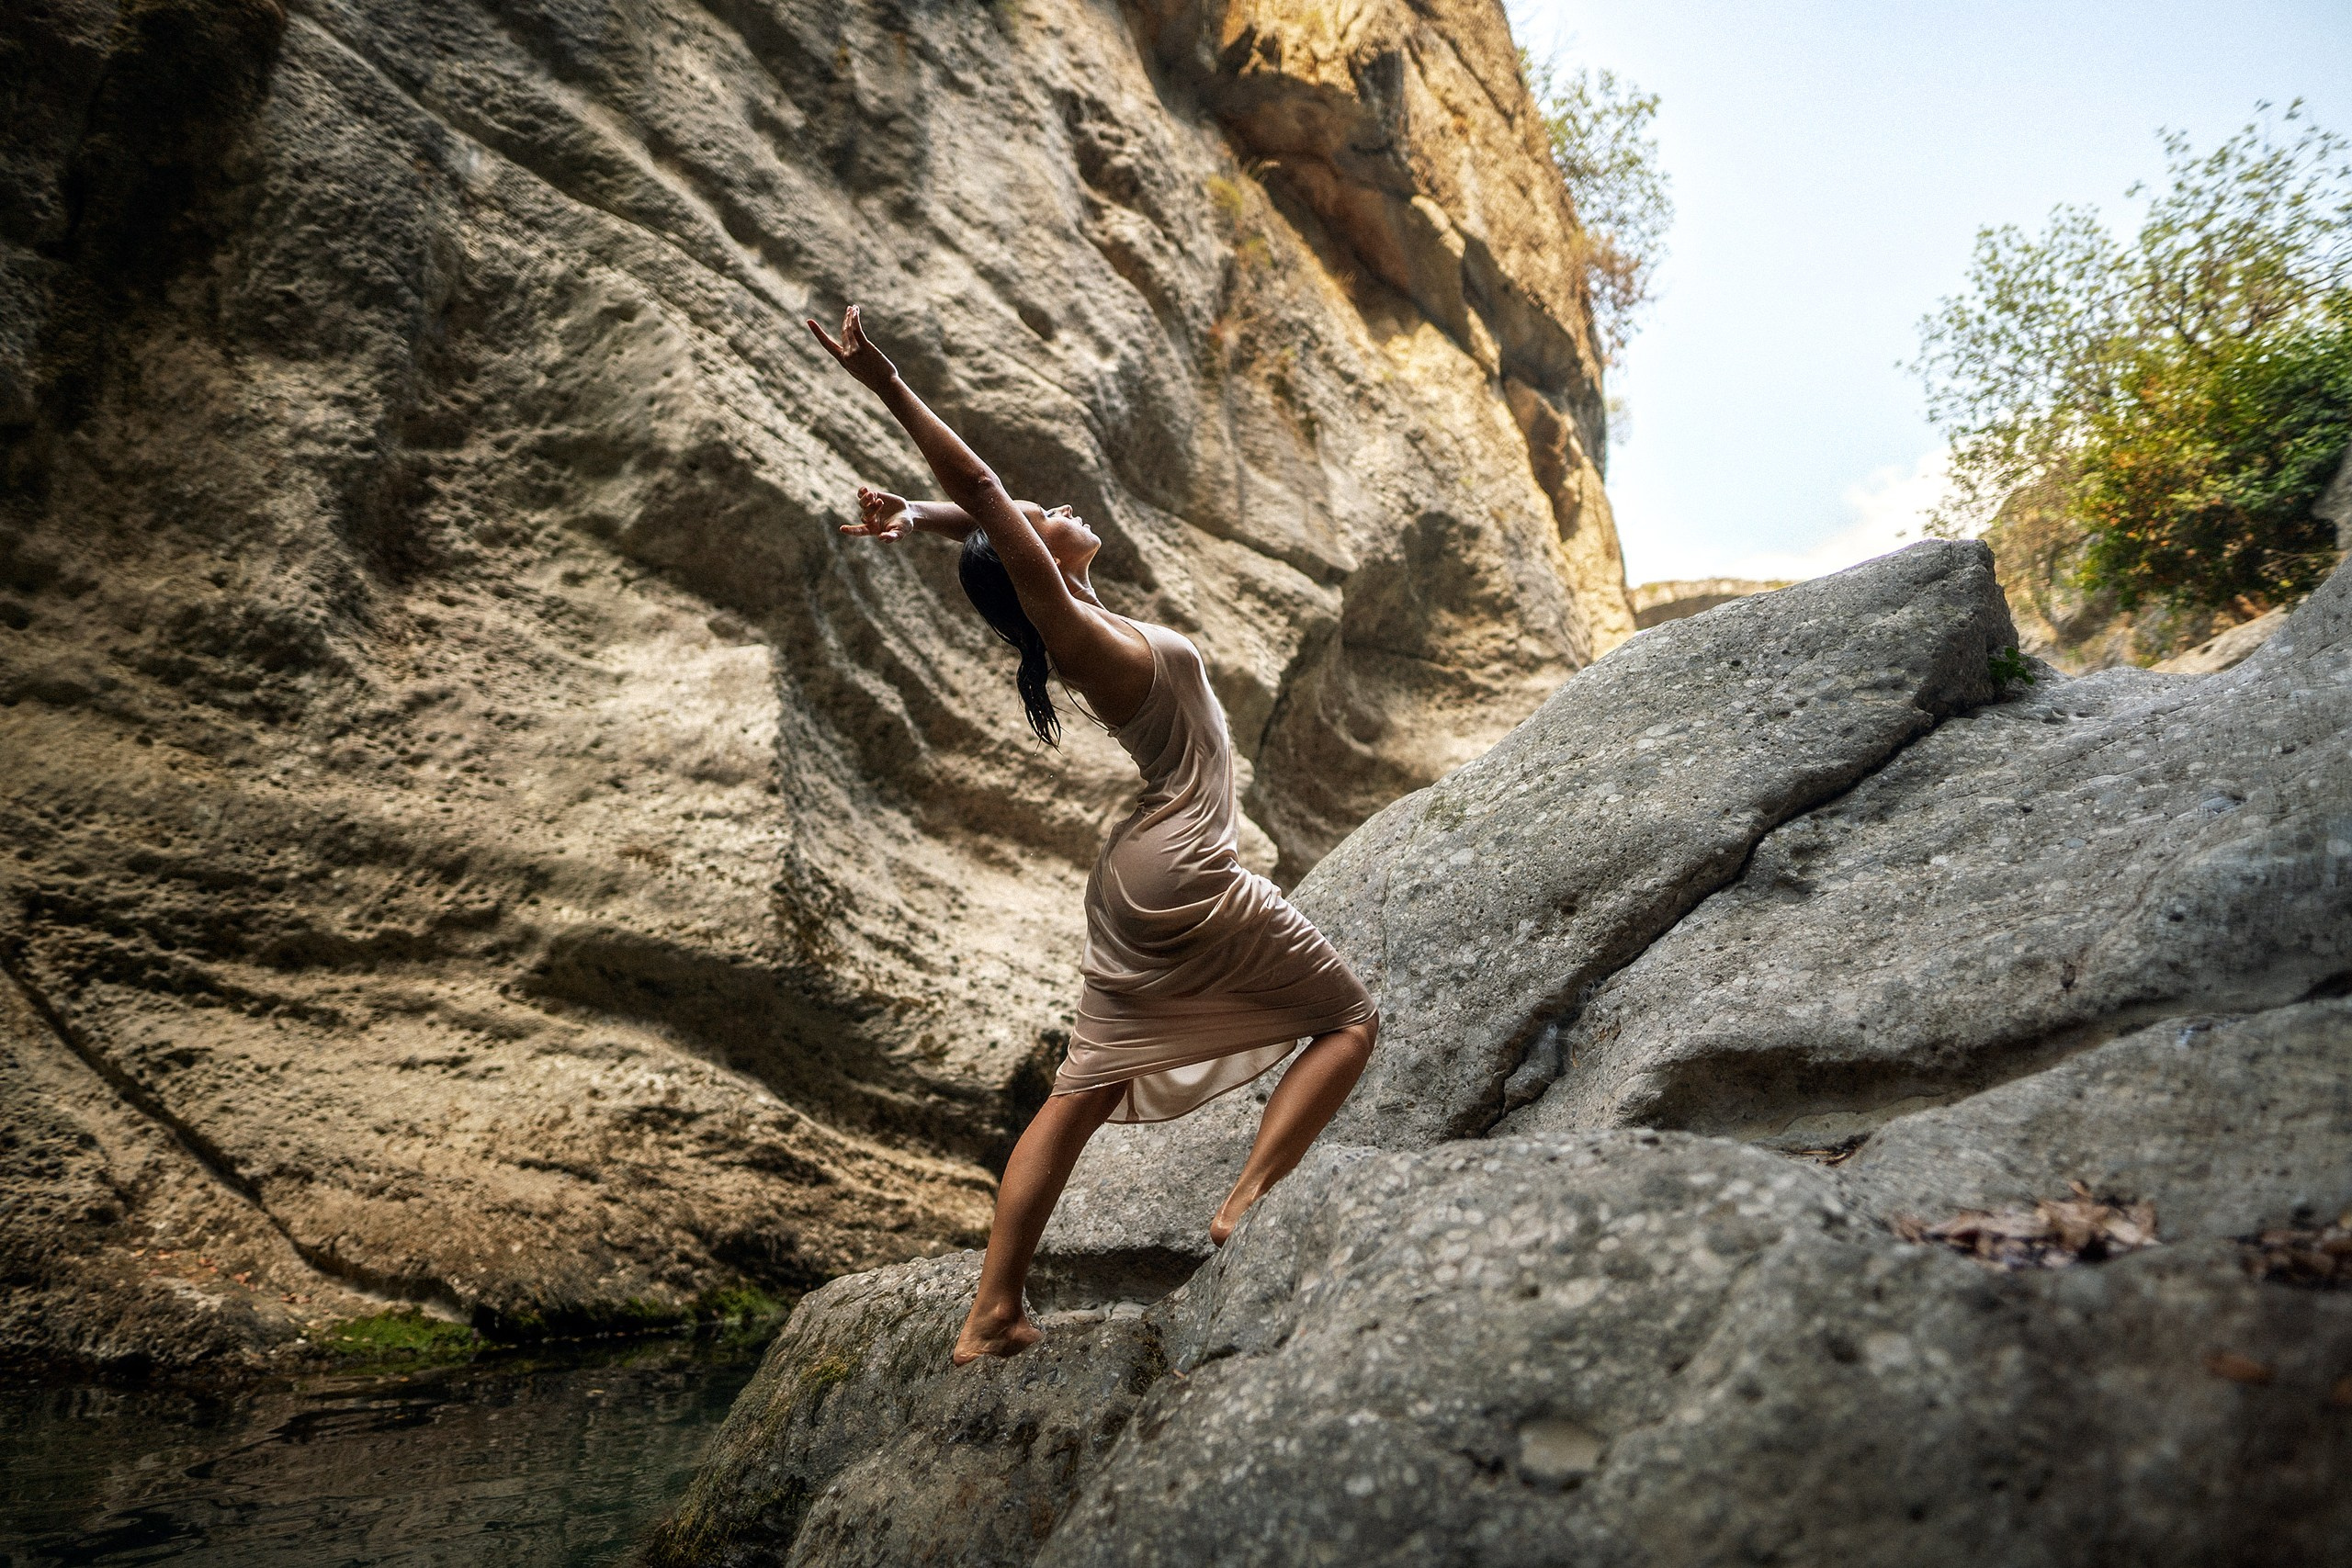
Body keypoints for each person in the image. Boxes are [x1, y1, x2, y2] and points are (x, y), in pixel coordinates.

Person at [806, 306, 1381, 1366]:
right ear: (1032, 562)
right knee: (1346, 1022)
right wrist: (885, 382)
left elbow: (985, 521)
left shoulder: (1083, 615)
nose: (1057, 507)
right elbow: (989, 499)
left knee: (1084, 1088)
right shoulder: (1073, 633)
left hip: (1137, 871)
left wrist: (917, 521)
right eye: (1039, 514)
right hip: (1184, 863)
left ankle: (993, 1310)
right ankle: (1244, 1205)